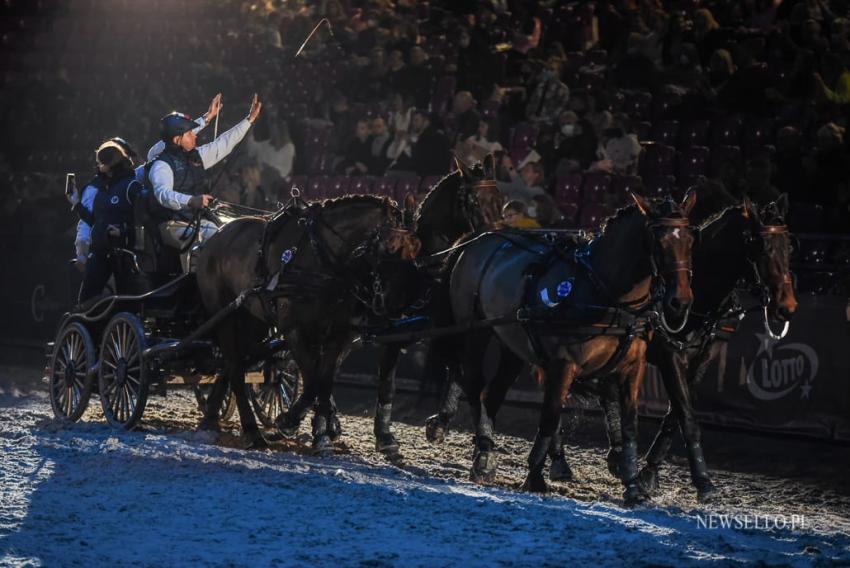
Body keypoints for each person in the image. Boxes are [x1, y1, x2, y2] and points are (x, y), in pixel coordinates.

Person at [148, 93, 262, 271]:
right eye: (190, 134)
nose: (195, 136)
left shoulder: (196, 156)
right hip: (172, 224)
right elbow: (163, 194)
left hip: (196, 220)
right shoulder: (161, 165)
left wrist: (249, 120)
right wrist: (191, 200)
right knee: (216, 240)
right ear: (177, 140)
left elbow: (224, 143)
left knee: (234, 232)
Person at [75, 141, 144, 303]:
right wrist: (77, 204)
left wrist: (124, 232)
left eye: (100, 164)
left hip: (122, 254)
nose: (98, 167)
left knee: (125, 300)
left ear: (108, 166)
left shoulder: (131, 186)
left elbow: (142, 223)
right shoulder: (103, 189)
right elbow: (96, 221)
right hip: (100, 252)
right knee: (86, 300)